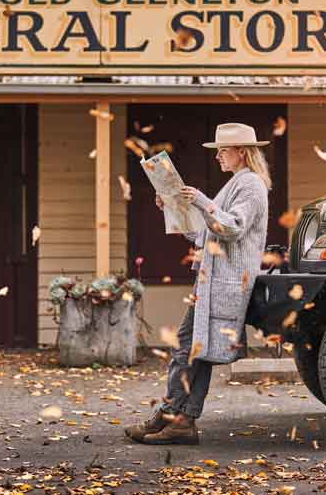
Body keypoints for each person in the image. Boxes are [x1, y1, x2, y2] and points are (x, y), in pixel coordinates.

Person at [125, 122, 272, 445]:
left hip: (225, 283)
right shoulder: (237, 183)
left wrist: (202, 201)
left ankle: (173, 416)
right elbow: (206, 233)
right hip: (214, 282)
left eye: (223, 151)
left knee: (186, 347)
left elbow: (232, 227)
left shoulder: (251, 186)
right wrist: (175, 208)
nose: (218, 156)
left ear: (242, 153)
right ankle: (178, 419)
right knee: (195, 351)